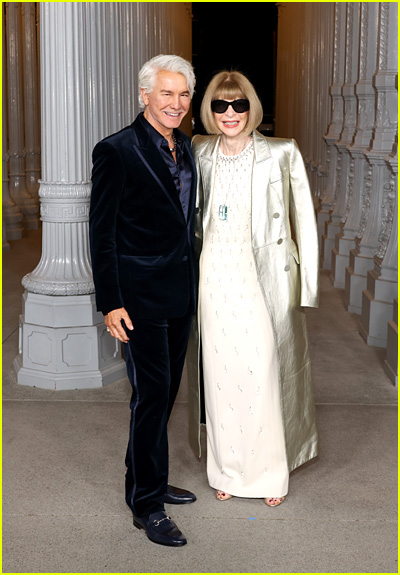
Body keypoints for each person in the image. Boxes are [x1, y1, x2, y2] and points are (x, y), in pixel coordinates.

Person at [187, 70, 319, 507]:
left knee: (264, 371)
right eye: (220, 105)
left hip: (261, 274)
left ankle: (268, 474)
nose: (229, 113)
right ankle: (227, 470)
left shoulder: (281, 152)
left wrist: (308, 287)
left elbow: (305, 220)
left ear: (251, 107)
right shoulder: (199, 150)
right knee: (221, 376)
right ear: (209, 109)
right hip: (215, 273)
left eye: (238, 104)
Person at [89, 54, 198, 547]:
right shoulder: (116, 150)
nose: (175, 104)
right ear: (144, 96)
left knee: (163, 395)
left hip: (179, 294)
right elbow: (102, 234)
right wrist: (111, 302)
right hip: (137, 300)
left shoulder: (188, 147)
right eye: (166, 94)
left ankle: (143, 480)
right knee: (152, 398)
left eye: (183, 95)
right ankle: (147, 506)